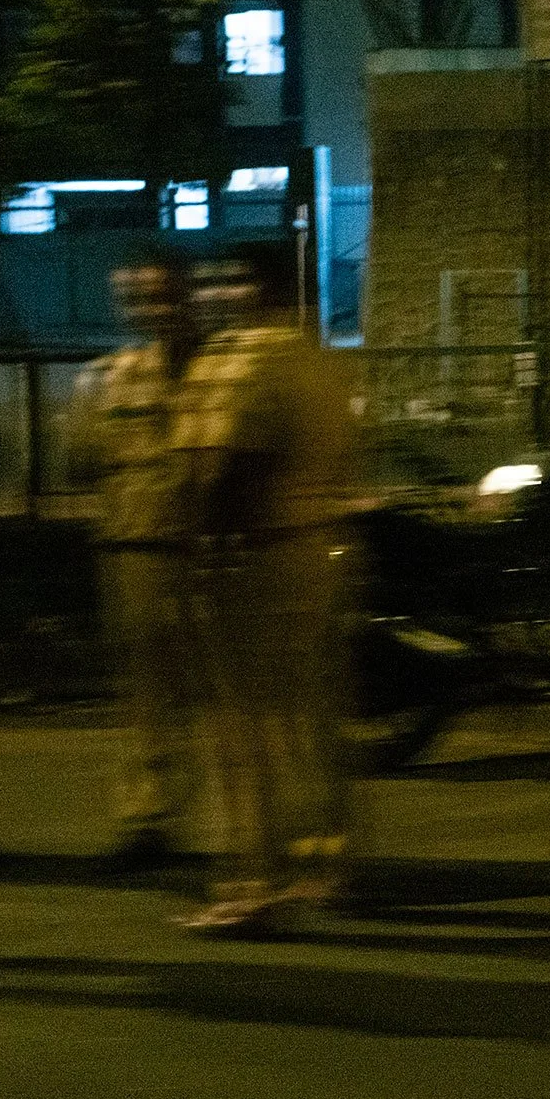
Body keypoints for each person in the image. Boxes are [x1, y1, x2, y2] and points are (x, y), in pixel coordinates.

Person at [172, 244, 359, 935]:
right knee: (311, 719)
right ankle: (326, 866)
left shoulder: (249, 361)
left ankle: (253, 879)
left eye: (230, 278)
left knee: (243, 727)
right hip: (317, 549)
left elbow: (234, 469)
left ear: (261, 289)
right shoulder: (324, 360)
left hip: (256, 558)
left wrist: (202, 554)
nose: (218, 292)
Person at [68, 253, 201, 870]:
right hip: (136, 549)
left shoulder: (223, 372)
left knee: (233, 693)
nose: (157, 311)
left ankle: (249, 826)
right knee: (144, 693)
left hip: (212, 550)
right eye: (143, 300)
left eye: (167, 297)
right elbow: (83, 462)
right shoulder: (107, 379)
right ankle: (146, 816)